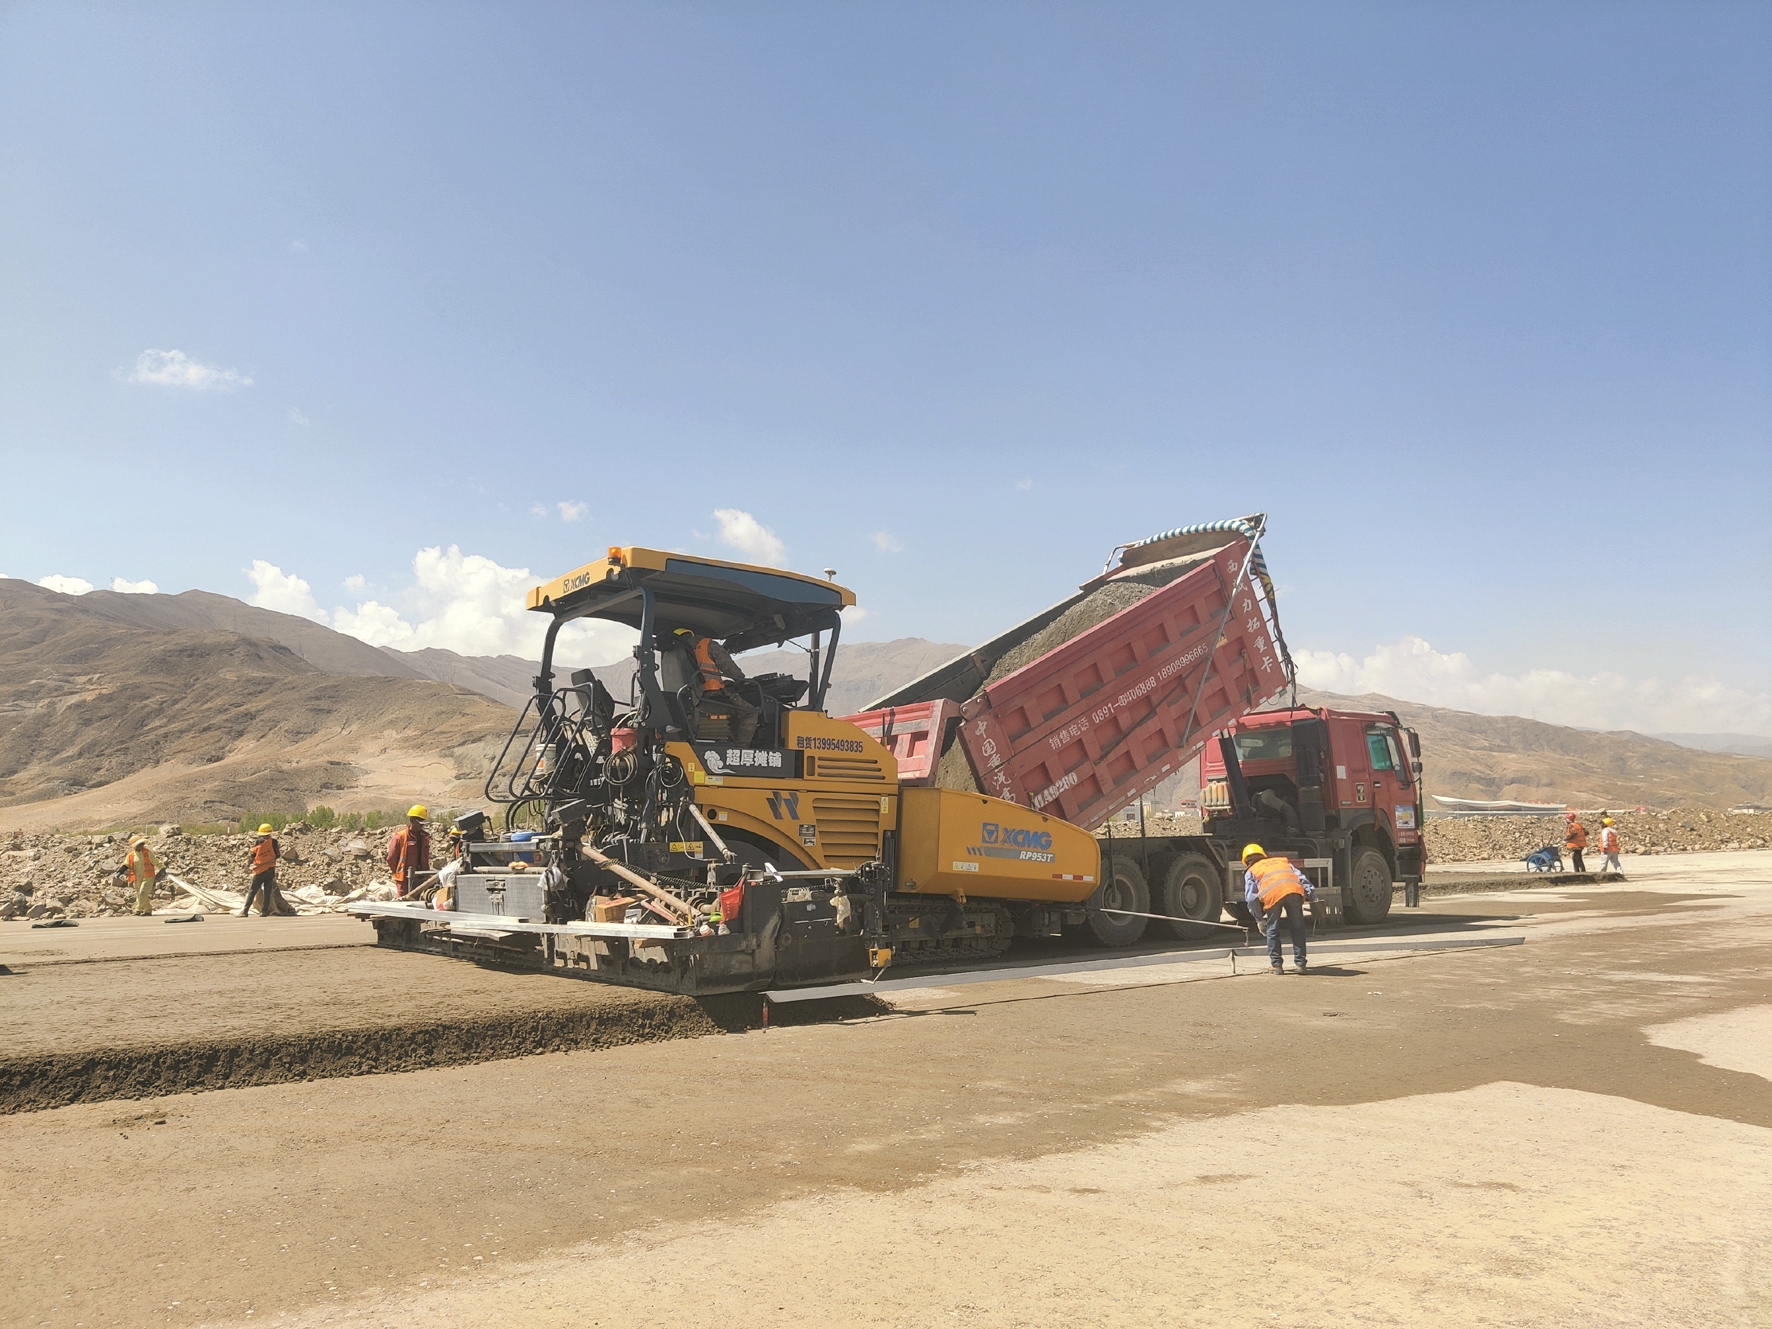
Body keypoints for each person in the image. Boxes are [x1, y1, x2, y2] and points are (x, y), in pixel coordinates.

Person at [672, 627, 760, 745]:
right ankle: (742, 749)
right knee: (750, 712)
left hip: (687, 698)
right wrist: (741, 680)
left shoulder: (674, 653)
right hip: (710, 695)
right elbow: (728, 666)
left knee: (736, 713)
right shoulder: (707, 645)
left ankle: (733, 743)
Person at [1242, 843, 1316, 975]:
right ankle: (1301, 964)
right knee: (1298, 928)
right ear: (1263, 855)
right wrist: (1312, 896)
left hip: (1273, 895)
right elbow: (1301, 878)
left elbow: (1251, 898)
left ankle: (1277, 966)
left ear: (1246, 861)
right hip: (1294, 891)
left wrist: (1259, 919)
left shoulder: (1251, 870)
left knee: (1272, 930)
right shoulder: (1282, 861)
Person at [387, 805, 432, 899]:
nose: (422, 826)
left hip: (422, 878)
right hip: (404, 880)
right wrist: (398, 873)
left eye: (423, 823)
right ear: (412, 820)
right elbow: (391, 858)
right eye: (420, 823)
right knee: (403, 903)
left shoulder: (424, 837)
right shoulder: (400, 837)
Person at [242, 824, 280, 917]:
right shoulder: (274, 842)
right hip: (270, 869)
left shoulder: (258, 842)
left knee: (252, 891)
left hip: (259, 870)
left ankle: (245, 911)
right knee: (267, 892)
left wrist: (251, 863)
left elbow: (253, 855)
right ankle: (264, 911)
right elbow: (278, 855)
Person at [122, 835, 159, 916]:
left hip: (148, 876)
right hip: (137, 877)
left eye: (142, 844)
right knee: (140, 894)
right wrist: (120, 871)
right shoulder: (131, 855)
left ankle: (139, 909)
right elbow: (126, 864)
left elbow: (156, 861)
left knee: (142, 892)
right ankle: (148, 910)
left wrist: (162, 868)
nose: (142, 846)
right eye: (140, 844)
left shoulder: (147, 853)